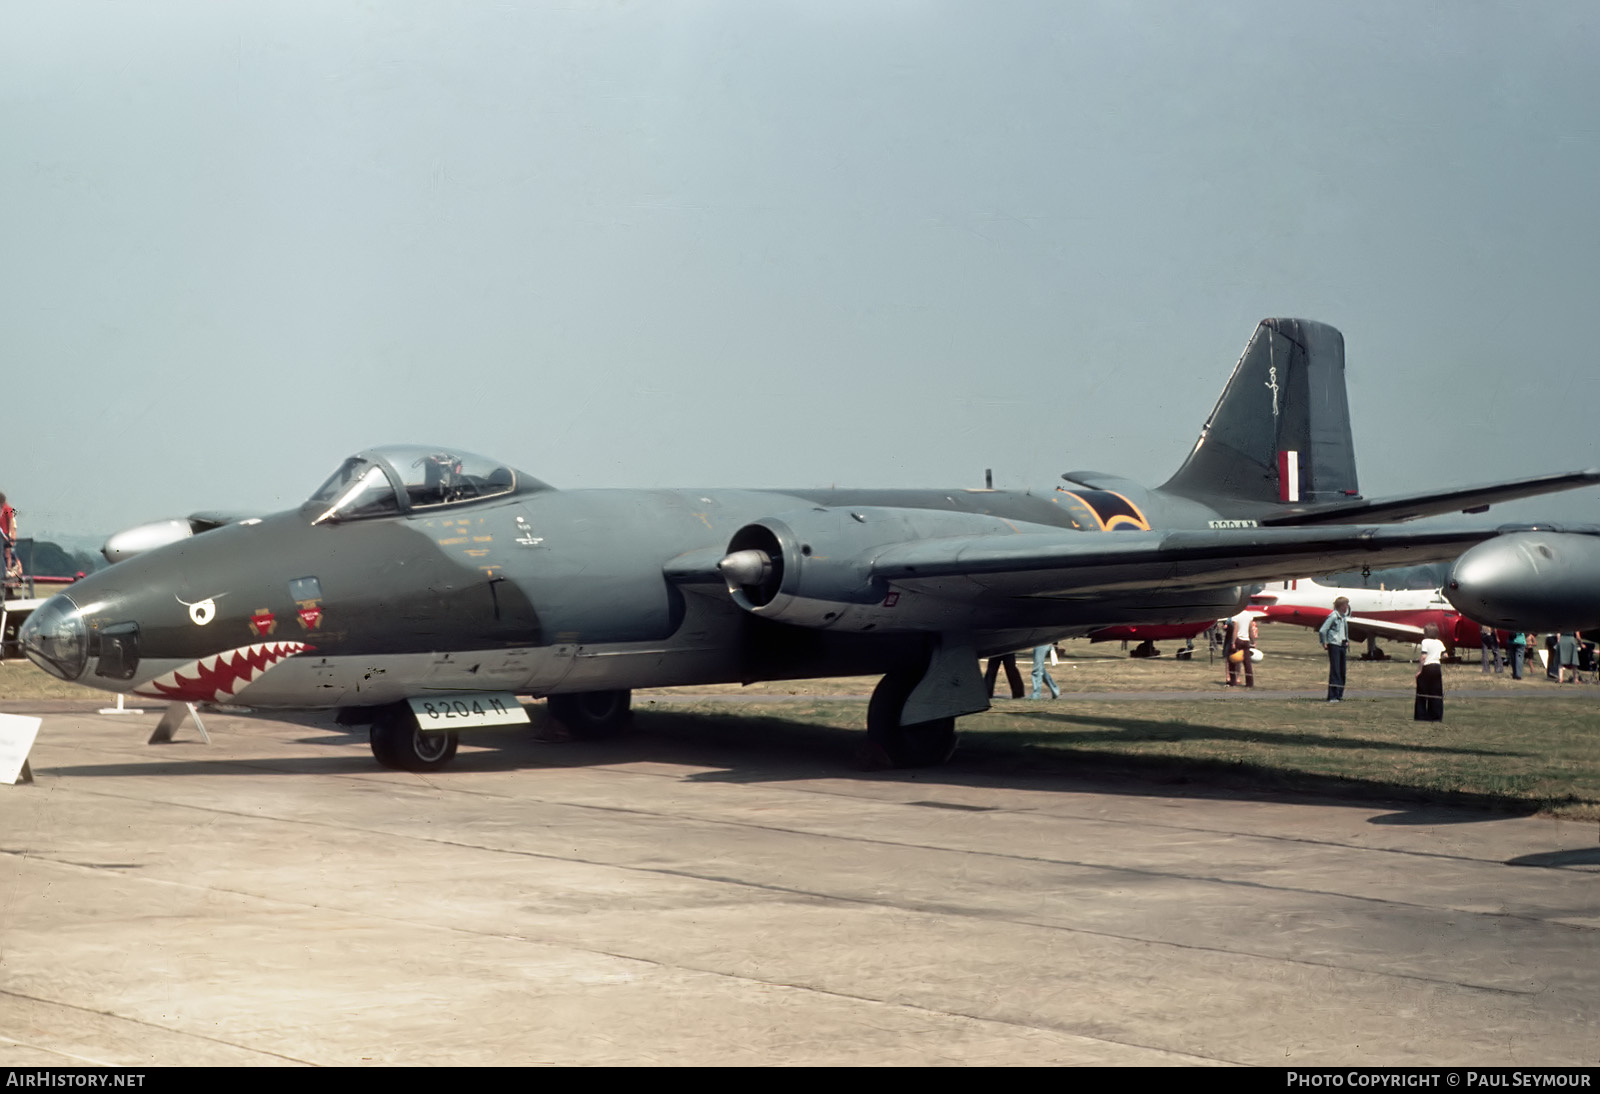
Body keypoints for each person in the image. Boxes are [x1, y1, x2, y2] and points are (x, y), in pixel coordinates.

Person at [1318, 596, 1351, 701]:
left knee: (1342, 671)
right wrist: (1324, 642)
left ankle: (1339, 695)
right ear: (1341, 606)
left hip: (1342, 645)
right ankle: (1332, 696)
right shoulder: (1333, 616)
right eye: (1345, 605)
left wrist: (1347, 640)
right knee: (1335, 671)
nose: (1347, 607)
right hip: (1334, 645)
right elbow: (1323, 630)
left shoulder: (1343, 617)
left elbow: (1344, 630)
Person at [1414, 623, 1445, 721]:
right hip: (1437, 667)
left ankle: (1421, 715)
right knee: (1436, 692)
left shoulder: (1425, 641)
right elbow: (1445, 655)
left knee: (1422, 691)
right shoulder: (1439, 642)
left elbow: (1423, 657)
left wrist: (1419, 670)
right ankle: (1436, 716)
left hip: (1427, 667)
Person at [1225, 609, 1258, 688]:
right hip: (1246, 641)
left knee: (1232, 661)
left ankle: (1233, 682)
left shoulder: (1236, 615)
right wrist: (1253, 642)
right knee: (1247, 663)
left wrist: (1233, 642)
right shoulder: (1249, 615)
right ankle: (1249, 683)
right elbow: (1250, 630)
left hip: (1238, 640)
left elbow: (1235, 630)